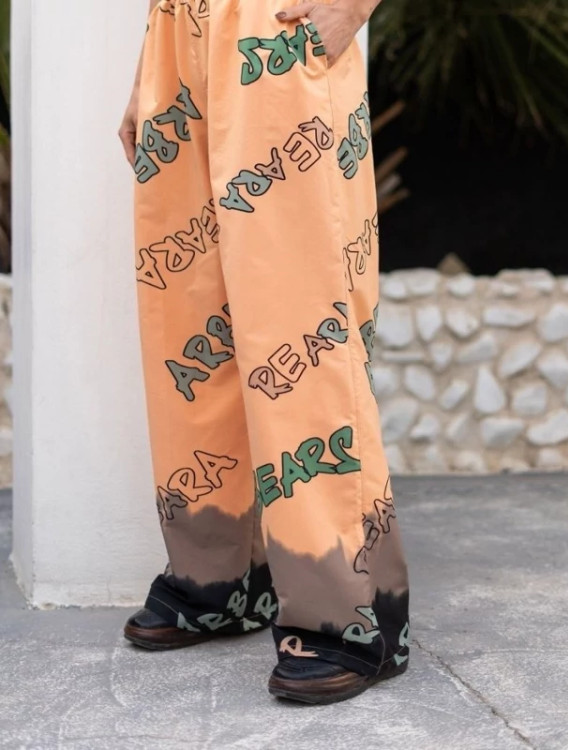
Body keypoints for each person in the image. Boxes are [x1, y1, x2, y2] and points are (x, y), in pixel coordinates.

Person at [117, 0, 410, 705]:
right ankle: (219, 577)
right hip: (181, 33)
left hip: (279, 30)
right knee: (188, 317)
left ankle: (351, 613)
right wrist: (153, 63)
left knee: (301, 322)